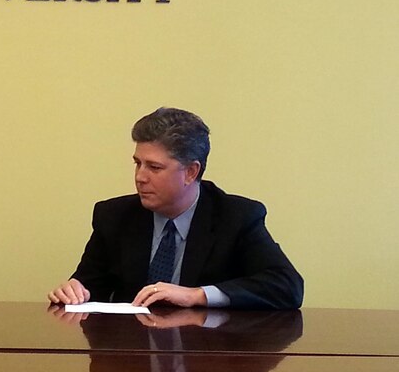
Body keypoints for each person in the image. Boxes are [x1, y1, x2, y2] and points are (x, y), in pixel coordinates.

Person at [47, 107, 303, 310]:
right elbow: (91, 284)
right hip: (129, 362)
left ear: (191, 172)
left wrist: (197, 295)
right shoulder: (114, 216)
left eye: (154, 167)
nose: (140, 177)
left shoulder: (236, 217)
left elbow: (287, 286)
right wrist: (75, 290)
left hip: (209, 361)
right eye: (138, 164)